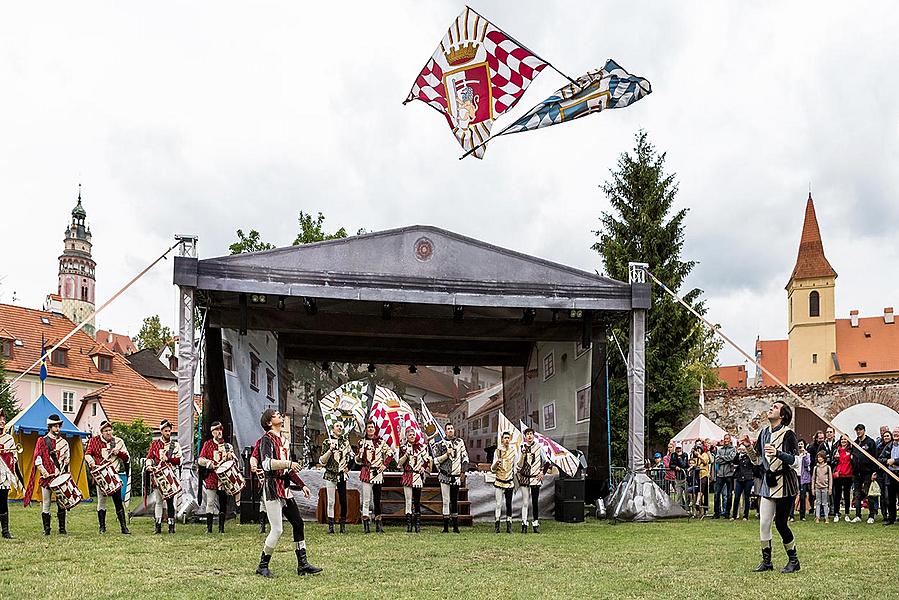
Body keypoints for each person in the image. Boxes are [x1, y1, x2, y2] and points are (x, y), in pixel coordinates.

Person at [254, 408, 321, 578]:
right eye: (276, 415)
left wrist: (302, 484)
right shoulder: (266, 440)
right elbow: (267, 464)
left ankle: (303, 564)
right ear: (269, 422)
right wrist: (288, 463)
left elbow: (288, 469)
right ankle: (262, 565)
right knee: (277, 530)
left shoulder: (284, 440)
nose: (280, 416)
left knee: (298, 523)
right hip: (272, 488)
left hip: (284, 488)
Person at [741, 400, 800, 574]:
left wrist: (779, 453)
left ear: (782, 415)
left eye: (775, 407)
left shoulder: (788, 434)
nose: (770, 409)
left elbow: (796, 461)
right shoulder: (764, 433)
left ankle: (794, 561)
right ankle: (767, 562)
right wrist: (748, 448)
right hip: (769, 483)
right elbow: (757, 460)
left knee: (781, 524)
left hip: (786, 484)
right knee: (764, 523)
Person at [24, 414, 71, 535]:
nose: (58, 428)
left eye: (58, 426)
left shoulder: (64, 443)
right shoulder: (42, 441)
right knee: (46, 502)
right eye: (55, 426)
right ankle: (47, 529)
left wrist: (65, 464)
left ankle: (62, 528)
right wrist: (43, 471)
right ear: (50, 427)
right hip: (47, 477)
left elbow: (67, 459)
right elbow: (37, 458)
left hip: (59, 477)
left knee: (62, 502)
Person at [84, 420, 131, 534]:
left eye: (110, 430)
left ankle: (123, 527)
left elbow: (127, 458)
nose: (109, 433)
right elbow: (88, 454)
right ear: (101, 432)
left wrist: (118, 453)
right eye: (106, 431)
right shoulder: (94, 441)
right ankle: (102, 527)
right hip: (101, 476)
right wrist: (92, 463)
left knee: (118, 501)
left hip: (114, 475)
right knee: (101, 501)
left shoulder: (118, 441)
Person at [197, 421, 236, 534]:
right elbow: (200, 459)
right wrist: (209, 463)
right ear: (212, 432)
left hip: (224, 478)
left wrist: (230, 456)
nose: (219, 432)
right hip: (212, 476)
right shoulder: (208, 444)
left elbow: (233, 461)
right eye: (216, 430)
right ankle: (209, 528)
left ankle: (221, 528)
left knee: (223, 503)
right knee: (210, 502)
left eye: (220, 430)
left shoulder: (228, 446)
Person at [146, 419, 182, 534]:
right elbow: (149, 458)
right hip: (158, 476)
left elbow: (180, 460)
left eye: (169, 431)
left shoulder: (175, 445)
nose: (168, 433)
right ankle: (158, 526)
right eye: (166, 431)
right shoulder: (155, 444)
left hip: (170, 477)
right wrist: (149, 466)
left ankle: (171, 526)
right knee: (158, 501)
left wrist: (169, 459)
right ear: (161, 431)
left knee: (170, 501)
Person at [357, 420, 393, 534]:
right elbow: (358, 461)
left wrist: (384, 465)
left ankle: (378, 524)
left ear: (375, 429)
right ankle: (366, 524)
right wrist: (359, 454)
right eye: (369, 427)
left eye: (372, 427)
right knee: (366, 499)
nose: (371, 429)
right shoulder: (361, 442)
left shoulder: (380, 442)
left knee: (377, 499)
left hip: (377, 472)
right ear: (366, 429)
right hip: (367, 471)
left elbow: (390, 453)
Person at [433, 423, 469, 534]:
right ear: (445, 431)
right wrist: (446, 455)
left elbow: (465, 457)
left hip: (456, 476)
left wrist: (463, 471)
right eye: (448, 429)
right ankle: (445, 527)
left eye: (452, 428)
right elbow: (436, 461)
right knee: (446, 501)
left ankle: (455, 526)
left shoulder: (460, 442)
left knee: (454, 501)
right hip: (444, 476)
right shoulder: (440, 444)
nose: (450, 430)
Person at [319, 420, 353, 534]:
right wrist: (330, 450)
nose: (339, 428)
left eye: (341, 426)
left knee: (343, 500)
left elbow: (352, 456)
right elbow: (322, 461)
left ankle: (342, 525)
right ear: (332, 429)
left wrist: (349, 467)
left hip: (342, 474)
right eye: (337, 426)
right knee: (331, 501)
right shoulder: (327, 442)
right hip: (331, 474)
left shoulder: (345, 442)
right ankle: (331, 526)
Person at [397, 427, 430, 533]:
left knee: (417, 501)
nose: (412, 436)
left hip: (417, 477)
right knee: (408, 501)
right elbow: (399, 463)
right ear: (406, 436)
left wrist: (423, 468)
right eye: (410, 435)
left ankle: (417, 524)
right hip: (407, 475)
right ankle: (409, 525)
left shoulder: (421, 447)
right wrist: (406, 454)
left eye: (413, 434)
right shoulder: (403, 448)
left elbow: (426, 460)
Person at [517, 427, 548, 533]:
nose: (529, 436)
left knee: (535, 502)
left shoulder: (539, 447)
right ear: (525, 437)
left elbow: (547, 461)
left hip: (535, 478)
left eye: (531, 434)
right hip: (525, 477)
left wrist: (542, 473)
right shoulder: (521, 448)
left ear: (533, 436)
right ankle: (524, 523)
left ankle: (535, 523)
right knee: (525, 502)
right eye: (527, 434)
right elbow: (519, 465)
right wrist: (522, 454)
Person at [0, 408, 22, 539]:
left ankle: (5, 530)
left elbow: (14, 455)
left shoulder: (9, 438)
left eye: (3, 419)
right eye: (0, 419)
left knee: (3, 501)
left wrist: (11, 458)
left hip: (4, 475)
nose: (2, 421)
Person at [850, 423, 878, 523]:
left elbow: (874, 458)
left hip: (867, 472)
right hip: (857, 473)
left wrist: (874, 472)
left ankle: (871, 516)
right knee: (857, 494)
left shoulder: (870, 442)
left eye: (860, 430)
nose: (858, 432)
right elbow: (853, 456)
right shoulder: (855, 443)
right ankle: (858, 515)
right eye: (857, 430)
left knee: (868, 494)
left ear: (864, 430)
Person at [491, 431, 515, 534]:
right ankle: (497, 524)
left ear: (510, 439)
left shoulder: (514, 451)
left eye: (508, 438)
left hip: (509, 481)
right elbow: (492, 469)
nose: (506, 440)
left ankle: (509, 524)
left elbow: (517, 465)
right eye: (505, 438)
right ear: (502, 439)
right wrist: (496, 463)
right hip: (499, 481)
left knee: (509, 504)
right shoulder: (497, 451)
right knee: (498, 504)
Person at [878, 427, 899, 525]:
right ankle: (891, 518)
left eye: (897, 432)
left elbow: (895, 460)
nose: (896, 434)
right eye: (894, 432)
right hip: (890, 474)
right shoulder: (889, 446)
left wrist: (895, 461)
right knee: (890, 498)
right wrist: (888, 461)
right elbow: (880, 458)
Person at [832, 435, 853, 522]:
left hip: (848, 475)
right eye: (842, 439)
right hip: (838, 475)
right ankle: (836, 513)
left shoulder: (851, 450)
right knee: (837, 495)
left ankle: (847, 514)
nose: (843, 441)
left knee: (847, 495)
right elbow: (832, 462)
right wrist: (835, 458)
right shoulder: (837, 450)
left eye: (845, 439)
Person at [714, 434, 736, 519]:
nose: (726, 440)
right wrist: (726, 459)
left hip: (729, 474)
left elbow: (732, 458)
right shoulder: (720, 449)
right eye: (725, 439)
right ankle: (717, 513)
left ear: (730, 440)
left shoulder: (733, 449)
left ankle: (727, 513)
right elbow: (717, 460)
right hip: (720, 474)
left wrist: (722, 458)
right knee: (716, 494)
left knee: (729, 494)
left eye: (727, 439)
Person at [731, 443, 754, 521]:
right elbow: (734, 461)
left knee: (747, 497)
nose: (742, 450)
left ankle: (745, 515)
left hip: (748, 478)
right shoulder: (739, 457)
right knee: (737, 497)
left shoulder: (749, 457)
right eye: (741, 449)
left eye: (743, 449)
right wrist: (738, 453)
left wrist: (748, 452)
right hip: (739, 478)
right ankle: (734, 515)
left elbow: (754, 463)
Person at [792, 440, 811, 521]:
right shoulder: (794, 455)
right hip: (795, 477)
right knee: (792, 496)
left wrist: (805, 454)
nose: (800, 446)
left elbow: (808, 464)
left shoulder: (807, 455)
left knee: (803, 497)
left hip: (803, 478)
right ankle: (791, 515)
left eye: (802, 444)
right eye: (799, 444)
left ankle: (802, 516)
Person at [812, 450, 832, 523]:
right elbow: (813, 478)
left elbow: (830, 478)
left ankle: (826, 517)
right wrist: (812, 488)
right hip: (817, 487)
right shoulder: (815, 468)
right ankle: (817, 517)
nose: (819, 459)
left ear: (824, 458)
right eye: (818, 457)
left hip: (825, 487)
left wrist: (830, 488)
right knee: (817, 503)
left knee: (825, 503)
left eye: (821, 457)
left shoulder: (828, 467)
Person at [694, 444, 710, 519]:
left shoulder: (704, 454)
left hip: (704, 475)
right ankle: (701, 510)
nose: (697, 451)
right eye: (696, 449)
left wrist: (699, 456)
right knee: (700, 491)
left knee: (702, 490)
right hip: (698, 476)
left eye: (698, 449)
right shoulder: (697, 458)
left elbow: (705, 462)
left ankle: (698, 503)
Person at [670, 443, 688, 508]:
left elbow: (684, 465)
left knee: (687, 494)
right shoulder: (673, 455)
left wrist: (679, 458)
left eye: (679, 448)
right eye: (677, 448)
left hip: (685, 478)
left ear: (682, 448)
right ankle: (681, 509)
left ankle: (687, 508)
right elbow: (670, 465)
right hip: (677, 478)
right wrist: (675, 467)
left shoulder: (685, 454)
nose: (678, 450)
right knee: (679, 495)